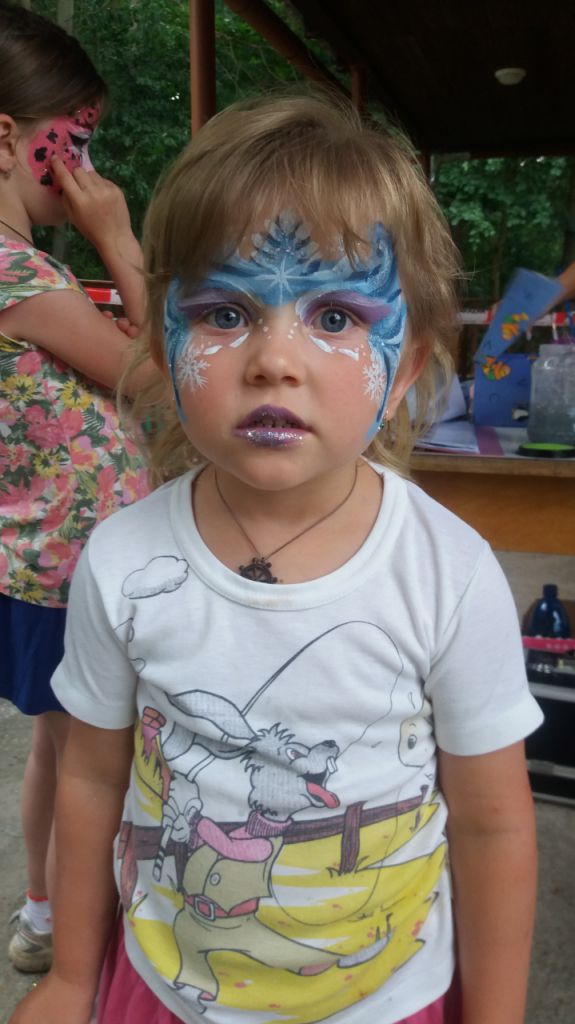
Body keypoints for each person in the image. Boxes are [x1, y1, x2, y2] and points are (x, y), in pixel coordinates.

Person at [9, 94, 543, 1024]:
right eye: (224, 311)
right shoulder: (124, 560)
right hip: (164, 989)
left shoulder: (447, 573)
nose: (274, 361)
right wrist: (68, 977)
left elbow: (493, 825)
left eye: (334, 316)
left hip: (386, 998)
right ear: (164, 343)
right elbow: (91, 778)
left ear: (405, 367)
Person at [0, 0, 149, 974]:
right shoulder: (20, 276)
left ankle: (45, 914)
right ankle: (80, 943)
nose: (85, 166)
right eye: (74, 142)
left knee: (61, 751)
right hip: (67, 577)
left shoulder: (26, 274)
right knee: (97, 758)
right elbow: (170, 374)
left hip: (47, 568)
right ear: (8, 138)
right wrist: (118, 234)